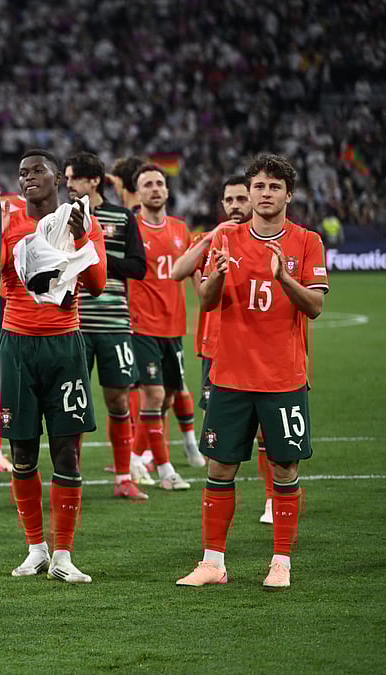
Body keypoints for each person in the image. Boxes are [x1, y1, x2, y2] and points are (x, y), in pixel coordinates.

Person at [176, 154, 327, 590]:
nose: (265, 194)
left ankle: (280, 562)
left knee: (284, 468)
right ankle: (213, 563)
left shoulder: (306, 242)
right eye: (259, 186)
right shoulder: (227, 237)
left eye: (274, 187)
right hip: (230, 376)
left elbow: (314, 306)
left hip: (283, 378)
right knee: (220, 469)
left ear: (288, 195)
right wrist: (218, 277)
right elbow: (205, 301)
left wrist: (284, 279)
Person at [0, 149, 107, 585]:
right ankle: (35, 549)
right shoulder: (6, 222)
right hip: (18, 344)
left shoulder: (82, 219)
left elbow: (97, 285)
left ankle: (63, 554)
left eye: (37, 171)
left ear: (59, 177)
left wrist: (80, 239)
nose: (28, 178)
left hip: (65, 345)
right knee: (21, 454)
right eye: (22, 173)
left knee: (67, 451)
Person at [171, 175, 274, 524]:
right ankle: (222, 503)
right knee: (221, 436)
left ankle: (274, 499)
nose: (234, 206)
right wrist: (213, 236)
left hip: (258, 350)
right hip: (215, 351)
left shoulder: (266, 241)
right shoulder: (212, 240)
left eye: (241, 199)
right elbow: (178, 271)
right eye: (228, 199)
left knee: (266, 430)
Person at [64, 151, 151, 499]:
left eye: (73, 178)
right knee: (73, 406)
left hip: (114, 323)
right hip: (74, 324)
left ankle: (123, 479)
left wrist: (94, 256)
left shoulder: (122, 218)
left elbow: (138, 267)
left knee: (118, 401)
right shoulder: (60, 218)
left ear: (93, 181)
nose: (67, 184)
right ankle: (71, 479)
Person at [128, 164, 200, 489]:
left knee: (168, 397)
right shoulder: (131, 229)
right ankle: (166, 471)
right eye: (148, 184)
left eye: (160, 183)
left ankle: (132, 458)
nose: (155, 189)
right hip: (142, 326)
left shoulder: (181, 230)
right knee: (154, 395)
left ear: (167, 191)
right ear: (138, 193)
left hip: (175, 328)